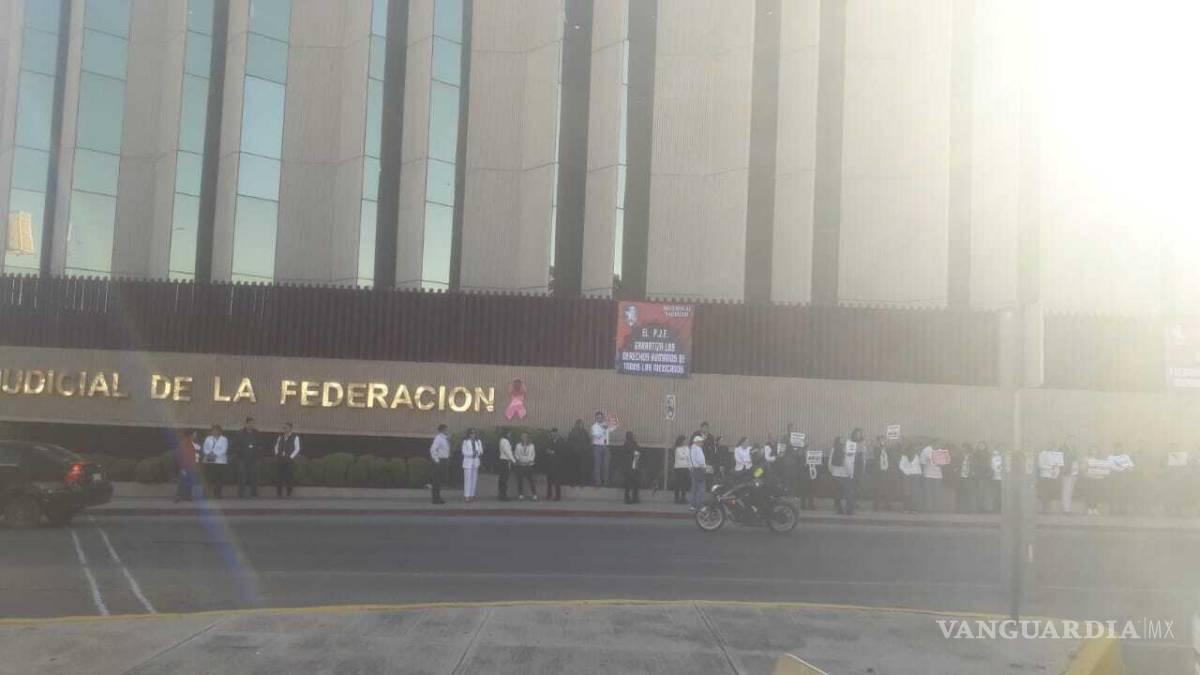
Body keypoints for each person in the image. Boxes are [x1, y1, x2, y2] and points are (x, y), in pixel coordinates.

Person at [232, 417, 261, 499]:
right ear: (246, 423)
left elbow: (260, 445)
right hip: (242, 458)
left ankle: (254, 494)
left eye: (253, 423)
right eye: (250, 423)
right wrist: (239, 452)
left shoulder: (257, 433)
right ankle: (241, 494)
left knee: (254, 476)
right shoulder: (240, 433)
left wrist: (258, 454)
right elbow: (235, 445)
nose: (251, 425)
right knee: (242, 476)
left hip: (254, 459)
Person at [273, 423, 300, 498]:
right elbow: (276, 446)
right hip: (280, 458)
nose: (285, 429)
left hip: (289, 459)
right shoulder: (280, 437)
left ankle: (289, 493)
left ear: (290, 429)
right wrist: (277, 454)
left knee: (289, 476)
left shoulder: (295, 437)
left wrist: (291, 457)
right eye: (284, 428)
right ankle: (279, 493)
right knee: (279, 476)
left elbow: (297, 448)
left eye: (286, 428)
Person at [201, 425, 228, 498]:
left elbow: (224, 450)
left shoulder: (224, 439)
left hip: (220, 462)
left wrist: (215, 455)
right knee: (208, 478)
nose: (214, 432)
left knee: (219, 479)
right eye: (213, 430)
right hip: (209, 461)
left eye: (216, 430)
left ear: (220, 431)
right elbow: (205, 448)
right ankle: (206, 494)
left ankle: (217, 494)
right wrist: (209, 454)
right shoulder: (208, 438)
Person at [173, 430, 200, 503]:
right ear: (190, 435)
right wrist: (182, 467)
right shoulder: (184, 443)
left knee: (189, 482)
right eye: (195, 434)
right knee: (182, 482)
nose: (196, 436)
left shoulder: (194, 443)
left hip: (190, 466)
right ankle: (178, 496)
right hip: (185, 466)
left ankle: (187, 496)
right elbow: (179, 455)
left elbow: (196, 455)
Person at [919, 442, 944, 513]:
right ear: (933, 444)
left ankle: (937, 509)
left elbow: (943, 462)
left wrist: (941, 463)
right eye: (937, 444)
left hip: (938, 475)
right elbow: (922, 462)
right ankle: (928, 509)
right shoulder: (926, 450)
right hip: (928, 474)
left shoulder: (941, 451)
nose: (939, 446)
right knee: (927, 492)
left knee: (937, 492)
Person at [1037, 444, 1063, 513]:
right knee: (1045, 493)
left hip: (1053, 477)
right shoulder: (1042, 453)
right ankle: (1044, 508)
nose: (1051, 447)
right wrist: (1050, 467)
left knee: (1051, 493)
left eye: (1052, 446)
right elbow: (1040, 465)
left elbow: (1058, 465)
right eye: (1049, 445)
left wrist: (1056, 473)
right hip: (1045, 476)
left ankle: (1048, 508)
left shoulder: (1055, 455)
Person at [428, 424, 450, 504]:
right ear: (442, 430)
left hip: (444, 460)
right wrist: (437, 460)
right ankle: (435, 499)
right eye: (446, 429)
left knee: (440, 481)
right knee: (436, 481)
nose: (447, 431)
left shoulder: (444, 438)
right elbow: (433, 450)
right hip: (440, 461)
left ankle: (438, 497)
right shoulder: (438, 438)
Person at [898, 444, 923, 513]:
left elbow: (918, 466)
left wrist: (919, 474)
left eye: (914, 450)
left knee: (915, 493)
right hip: (907, 476)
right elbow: (901, 466)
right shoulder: (904, 457)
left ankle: (914, 509)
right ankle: (906, 508)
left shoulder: (916, 456)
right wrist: (907, 472)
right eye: (912, 450)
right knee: (907, 492)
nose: (913, 451)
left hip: (915, 476)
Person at [620, 431, 642, 504]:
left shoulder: (624, 446)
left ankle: (627, 498)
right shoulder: (635, 445)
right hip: (633, 467)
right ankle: (635, 498)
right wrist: (635, 467)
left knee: (627, 484)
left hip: (627, 468)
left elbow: (622, 458)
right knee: (635, 483)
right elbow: (637, 455)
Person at [567, 419, 591, 486]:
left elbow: (588, 441)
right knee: (574, 468)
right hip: (575, 453)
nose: (581, 425)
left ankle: (581, 482)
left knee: (582, 468)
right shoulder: (573, 431)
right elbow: (570, 441)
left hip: (583, 453)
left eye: (582, 424)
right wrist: (574, 448)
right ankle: (574, 482)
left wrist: (586, 448)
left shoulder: (585, 432)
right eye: (580, 424)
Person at [971, 441, 993, 513]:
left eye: (983, 445)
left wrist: (989, 473)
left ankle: (985, 507)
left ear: (985, 446)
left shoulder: (988, 454)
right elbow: (973, 464)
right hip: (978, 475)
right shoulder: (975, 454)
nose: (981, 446)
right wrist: (974, 472)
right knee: (978, 492)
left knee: (986, 492)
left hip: (986, 475)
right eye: (980, 445)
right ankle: (978, 507)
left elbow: (990, 464)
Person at [687, 435, 708, 510]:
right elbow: (700, 460)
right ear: (697, 442)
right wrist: (704, 466)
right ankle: (700, 505)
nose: (702, 443)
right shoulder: (698, 449)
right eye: (701, 442)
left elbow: (689, 460)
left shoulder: (690, 449)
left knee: (694, 488)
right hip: (699, 469)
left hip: (692, 470)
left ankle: (693, 505)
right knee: (701, 488)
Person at [514, 432, 537, 500]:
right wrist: (519, 461)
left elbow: (533, 455)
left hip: (528, 465)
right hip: (520, 465)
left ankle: (534, 494)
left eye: (525, 437)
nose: (524, 438)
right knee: (520, 480)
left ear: (527, 438)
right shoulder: (518, 445)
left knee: (531, 480)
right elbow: (516, 454)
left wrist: (529, 461)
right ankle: (520, 495)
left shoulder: (532, 445)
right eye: (522, 437)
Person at [590, 411, 611, 487]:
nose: (599, 418)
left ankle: (606, 482)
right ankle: (598, 482)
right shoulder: (594, 426)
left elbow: (611, 430)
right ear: (595, 418)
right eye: (598, 417)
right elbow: (597, 436)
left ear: (602, 417)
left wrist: (607, 427)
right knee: (597, 465)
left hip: (606, 446)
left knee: (606, 465)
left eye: (600, 417)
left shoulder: (605, 425)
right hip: (597, 446)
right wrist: (604, 430)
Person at [461, 429, 483, 502]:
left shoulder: (478, 442)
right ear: (469, 434)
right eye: (471, 433)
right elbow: (464, 452)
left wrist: (477, 452)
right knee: (468, 479)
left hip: (475, 462)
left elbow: (481, 451)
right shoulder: (465, 442)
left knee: (474, 479)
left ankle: (472, 495)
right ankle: (466, 495)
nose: (473, 435)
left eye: (474, 433)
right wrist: (471, 454)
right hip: (468, 462)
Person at [1059, 439, 1079, 515]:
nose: (1072, 442)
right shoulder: (1062, 449)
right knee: (1066, 491)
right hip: (1066, 472)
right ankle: (1066, 509)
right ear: (1066, 441)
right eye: (1070, 440)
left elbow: (1076, 459)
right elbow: (1060, 460)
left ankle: (1068, 508)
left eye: (1073, 440)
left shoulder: (1074, 449)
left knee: (1070, 491)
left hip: (1073, 472)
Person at [544, 428, 564, 501]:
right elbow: (546, 449)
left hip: (558, 464)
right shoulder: (550, 441)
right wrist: (549, 451)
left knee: (557, 481)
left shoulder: (561, 441)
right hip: (550, 464)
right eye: (551, 434)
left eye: (554, 433)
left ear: (557, 433)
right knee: (549, 481)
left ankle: (558, 496)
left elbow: (561, 451)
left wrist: (553, 452)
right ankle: (549, 495)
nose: (552, 435)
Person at [672, 435, 691, 504]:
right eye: (685, 440)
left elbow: (689, 456)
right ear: (682, 441)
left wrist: (686, 454)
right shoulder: (677, 448)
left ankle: (683, 498)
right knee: (678, 483)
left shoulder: (687, 448)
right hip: (679, 468)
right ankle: (676, 498)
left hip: (686, 467)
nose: (686, 441)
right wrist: (686, 454)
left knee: (684, 484)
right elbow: (681, 456)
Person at [496, 432, 514, 501]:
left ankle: (501, 494)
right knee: (504, 479)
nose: (510, 435)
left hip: (504, 461)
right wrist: (513, 460)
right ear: (506, 433)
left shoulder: (502, 440)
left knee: (502, 479)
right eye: (509, 433)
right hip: (505, 461)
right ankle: (503, 495)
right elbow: (507, 452)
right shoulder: (505, 441)